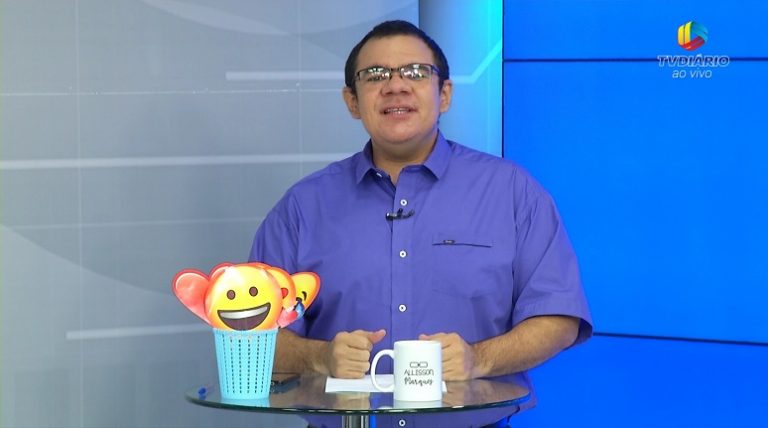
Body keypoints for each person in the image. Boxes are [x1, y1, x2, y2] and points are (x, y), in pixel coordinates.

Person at [250, 20, 592, 428]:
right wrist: (319, 357)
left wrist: (478, 358)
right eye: (375, 75)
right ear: (352, 101)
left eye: (414, 72)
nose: (395, 86)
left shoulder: (512, 192)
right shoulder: (303, 207)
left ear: (444, 94)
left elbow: (558, 318)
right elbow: (252, 335)